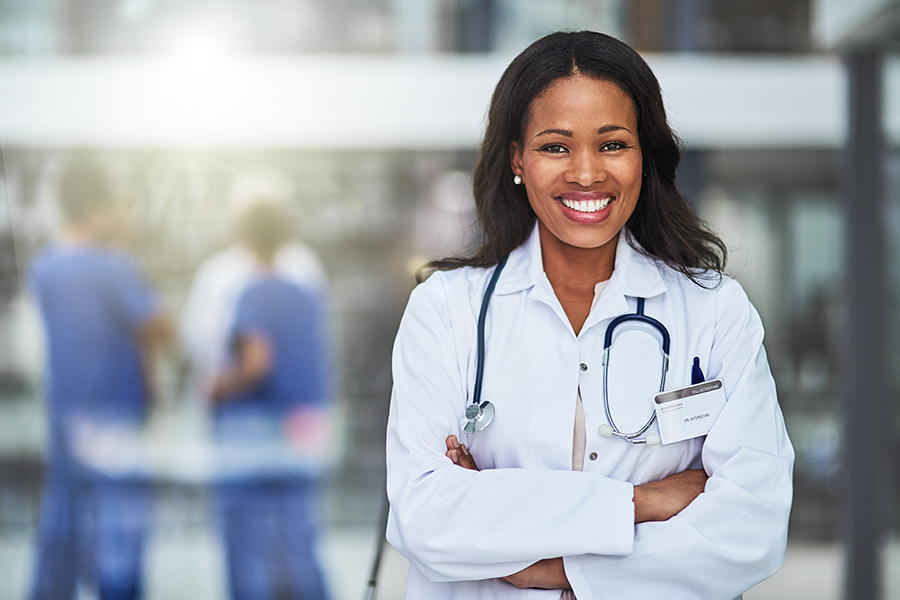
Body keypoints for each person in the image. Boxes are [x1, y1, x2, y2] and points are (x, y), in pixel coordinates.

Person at [386, 31, 793, 599]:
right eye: (555, 147)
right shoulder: (445, 311)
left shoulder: (715, 310)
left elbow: (752, 524)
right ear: (517, 161)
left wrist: (550, 564)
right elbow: (426, 515)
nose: (585, 173)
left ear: (643, 156)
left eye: (612, 145)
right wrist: (643, 503)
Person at [28, 157, 172, 600]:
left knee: (60, 547)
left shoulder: (46, 266)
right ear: (100, 207)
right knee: (119, 554)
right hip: (116, 434)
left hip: (66, 428)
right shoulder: (112, 268)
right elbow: (163, 328)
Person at [208, 198, 332, 600]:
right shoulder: (305, 292)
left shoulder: (252, 291)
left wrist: (215, 388)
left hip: (256, 434)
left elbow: (257, 362)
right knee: (297, 540)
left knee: (250, 550)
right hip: (302, 429)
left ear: (242, 236)